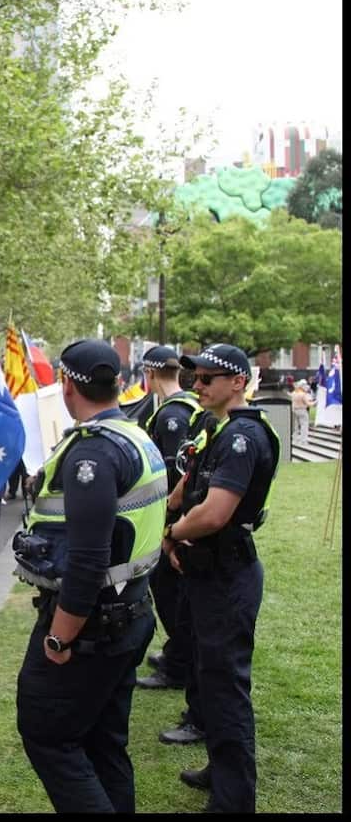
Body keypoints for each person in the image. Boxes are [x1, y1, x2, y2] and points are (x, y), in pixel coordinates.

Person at [12, 339, 166, 813]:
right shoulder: (136, 434)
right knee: (103, 742)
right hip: (131, 610)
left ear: (66, 385)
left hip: (93, 627)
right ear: (117, 385)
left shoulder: (92, 455)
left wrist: (59, 639)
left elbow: (87, 560)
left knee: (49, 737)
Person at [163, 344, 280, 813]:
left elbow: (213, 514)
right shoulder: (217, 428)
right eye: (196, 376)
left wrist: (172, 531)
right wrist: (171, 519)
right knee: (210, 681)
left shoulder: (243, 437)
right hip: (205, 572)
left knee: (226, 687)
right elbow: (190, 483)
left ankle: (234, 798)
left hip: (227, 574)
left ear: (238, 382)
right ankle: (219, 767)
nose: (199, 384)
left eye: (209, 377)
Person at [136, 345, 202, 693]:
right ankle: (177, 655)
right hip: (177, 515)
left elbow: (172, 475)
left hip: (172, 516)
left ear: (149, 374)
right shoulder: (184, 406)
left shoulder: (171, 415)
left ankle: (180, 664)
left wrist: (167, 525)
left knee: (169, 593)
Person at [291, 379, 314, 443]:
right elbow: (308, 404)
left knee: (295, 426)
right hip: (302, 410)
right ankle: (303, 440)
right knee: (304, 425)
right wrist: (314, 402)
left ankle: (295, 439)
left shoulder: (294, 393)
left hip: (294, 410)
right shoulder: (303, 394)